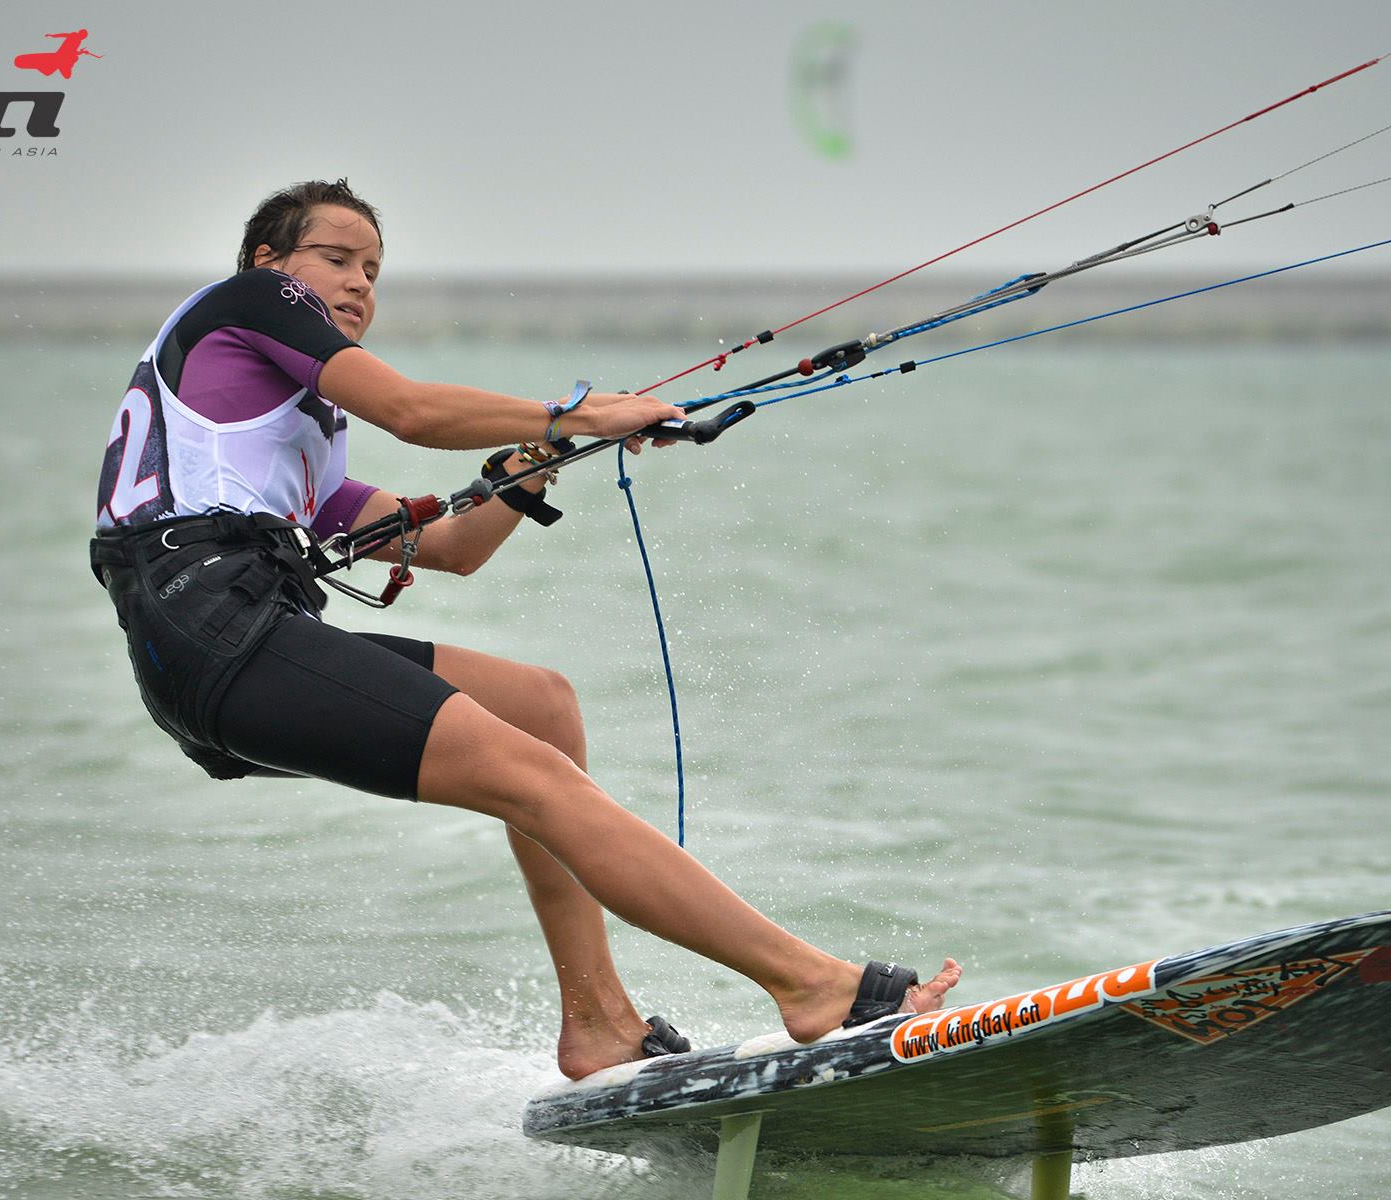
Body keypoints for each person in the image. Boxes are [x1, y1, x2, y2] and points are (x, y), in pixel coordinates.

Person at [89, 179, 960, 1078]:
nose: (358, 285)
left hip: (229, 628)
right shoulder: (250, 299)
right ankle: (811, 983)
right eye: (336, 259)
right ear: (271, 264)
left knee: (540, 708)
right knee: (533, 778)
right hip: (209, 621)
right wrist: (582, 413)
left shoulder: (281, 444)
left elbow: (453, 547)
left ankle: (598, 1020)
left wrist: (537, 460)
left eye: (374, 270)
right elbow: (414, 412)